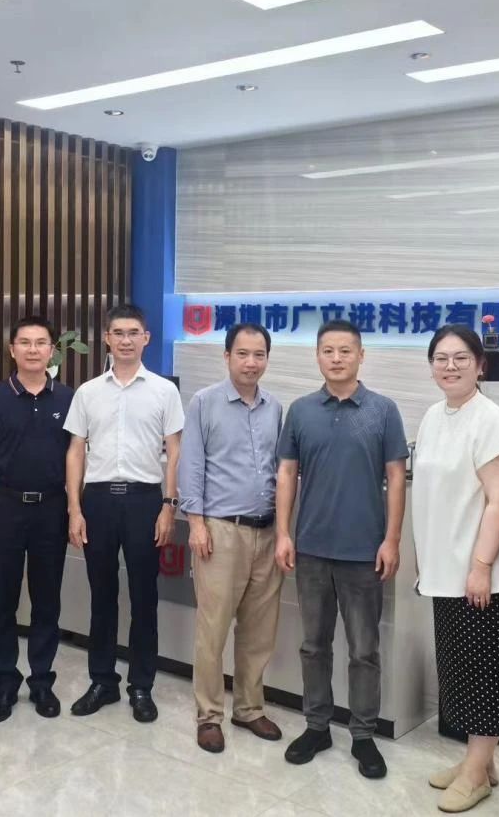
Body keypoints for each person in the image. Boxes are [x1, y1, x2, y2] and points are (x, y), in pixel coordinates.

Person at [275, 319, 408, 780]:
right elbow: (287, 473)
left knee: (364, 649)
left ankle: (363, 734)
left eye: (345, 350)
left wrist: (392, 539)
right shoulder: (301, 411)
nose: (336, 358)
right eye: (328, 350)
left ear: (360, 355)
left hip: (363, 552)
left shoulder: (383, 410)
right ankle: (317, 726)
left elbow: (395, 478)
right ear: (317, 356)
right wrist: (284, 533)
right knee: (313, 645)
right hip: (311, 549)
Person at [412, 325, 499, 813]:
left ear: (481, 365)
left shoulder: (491, 420)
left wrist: (480, 566)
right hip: (445, 571)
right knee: (460, 670)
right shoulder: (433, 415)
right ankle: (480, 763)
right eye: (441, 358)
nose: (450, 366)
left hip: (480, 575)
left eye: (461, 357)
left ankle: (476, 774)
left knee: (485, 674)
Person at [64, 303, 185, 724]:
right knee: (101, 596)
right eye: (118, 332)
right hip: (97, 500)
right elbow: (75, 451)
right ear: (107, 338)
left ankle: (141, 686)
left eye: (134, 332)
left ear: (146, 338)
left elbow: (175, 452)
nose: (126, 340)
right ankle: (103, 681)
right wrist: (74, 508)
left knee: (144, 597)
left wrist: (169, 505)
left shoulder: (164, 391)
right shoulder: (87, 392)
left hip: (144, 501)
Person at [179, 323, 284, 754]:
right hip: (220, 531)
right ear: (226, 357)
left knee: (259, 630)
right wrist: (196, 524)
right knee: (213, 629)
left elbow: (281, 471)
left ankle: (249, 708)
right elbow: (191, 465)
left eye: (259, 355)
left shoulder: (275, 407)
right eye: (242, 354)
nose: (251, 363)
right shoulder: (204, 403)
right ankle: (209, 715)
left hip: (267, 531)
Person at [0, 315, 73, 723]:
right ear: (12, 350)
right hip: (4, 508)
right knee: (2, 600)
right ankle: (5, 683)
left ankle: (42, 681)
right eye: (25, 342)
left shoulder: (68, 398)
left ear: (52, 351)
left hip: (52, 509)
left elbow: (76, 456)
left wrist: (75, 508)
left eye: (41, 342)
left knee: (47, 600)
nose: (33, 349)